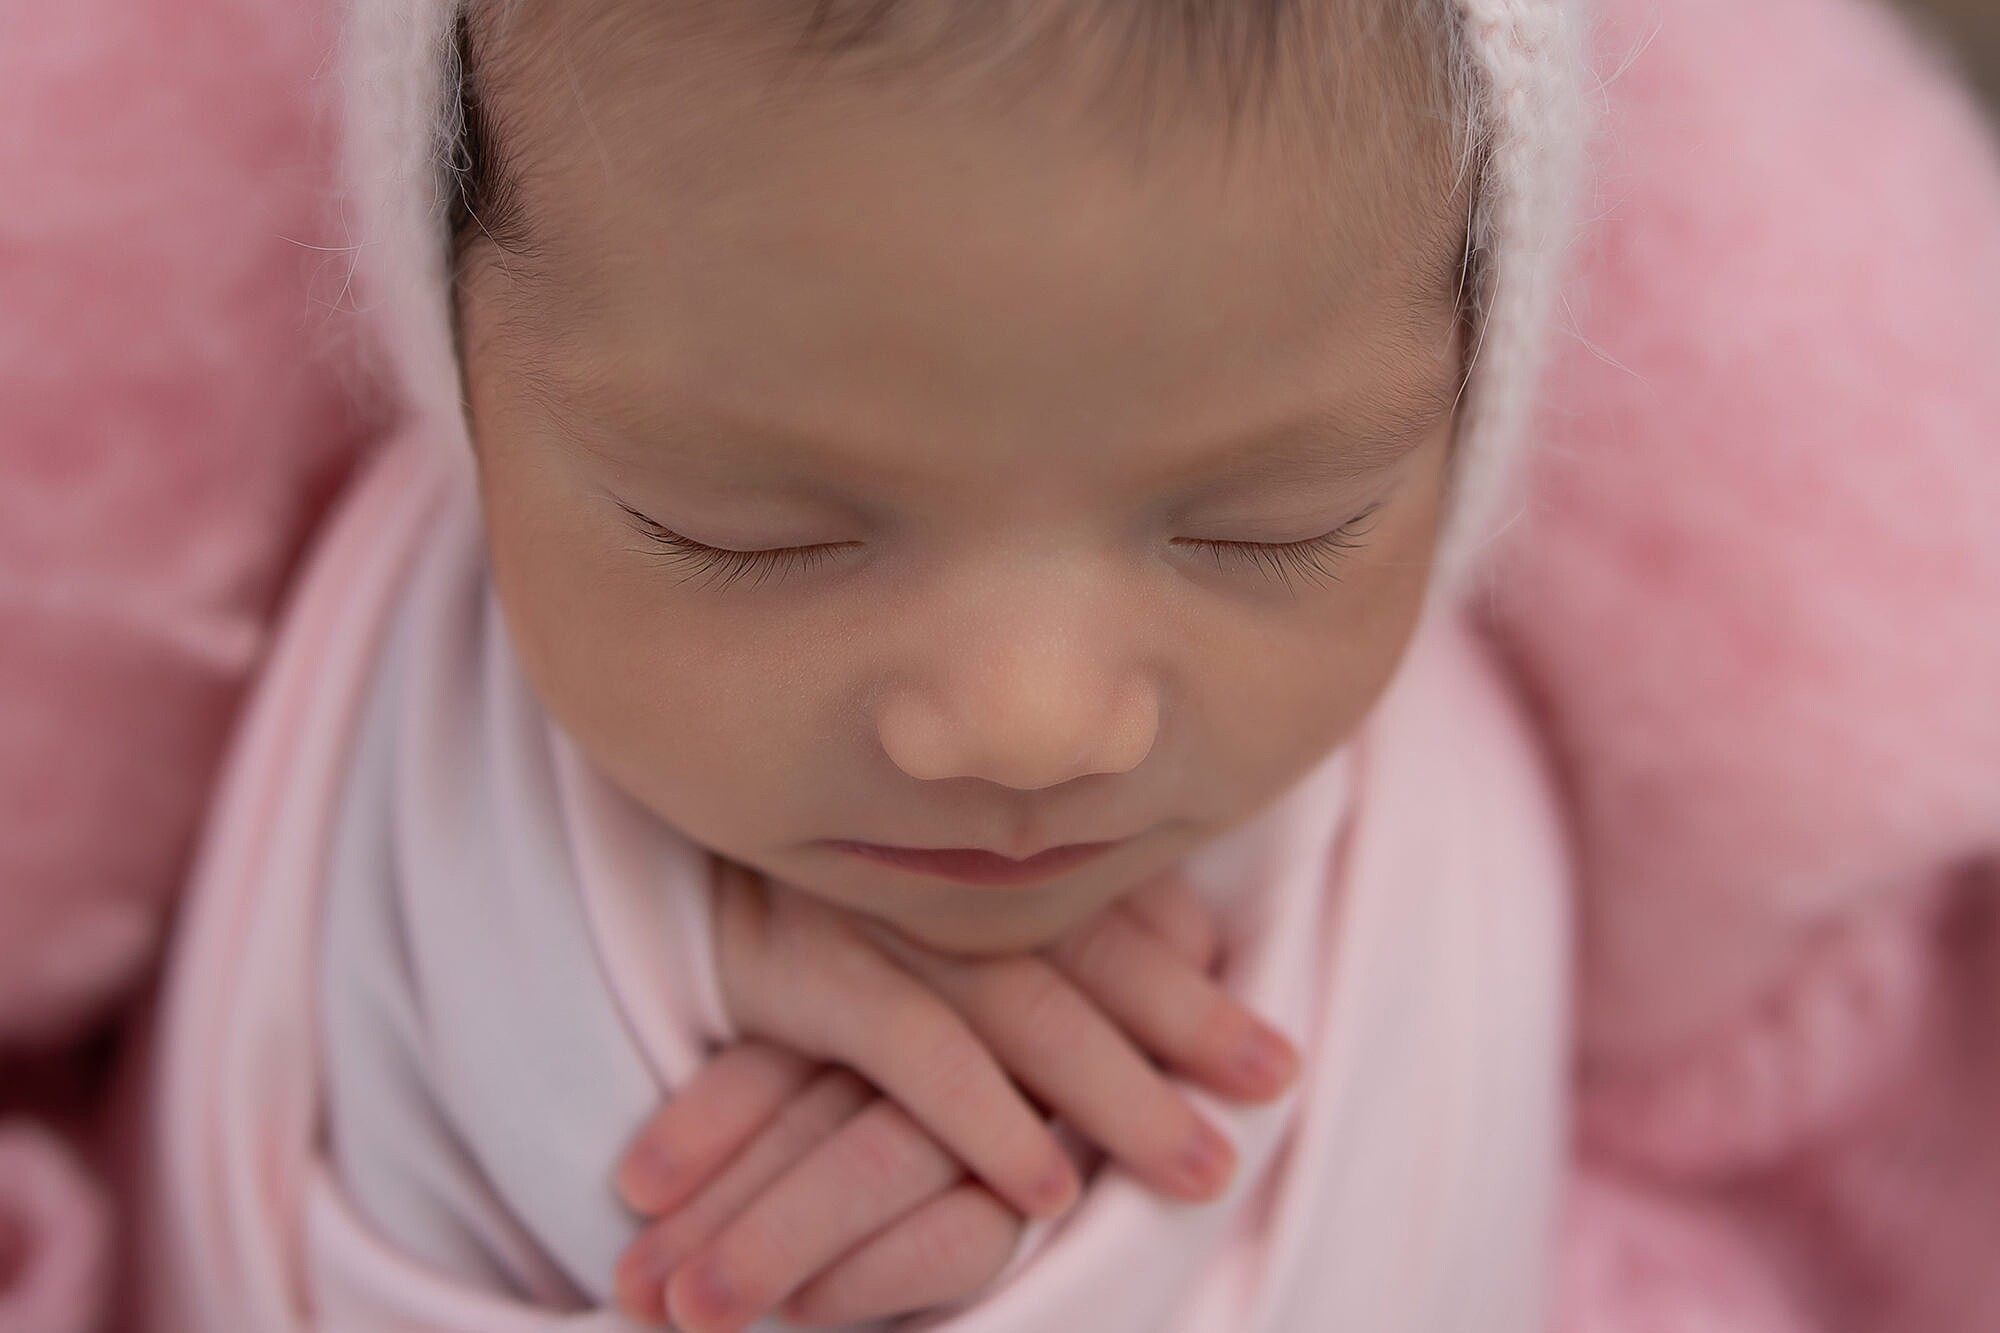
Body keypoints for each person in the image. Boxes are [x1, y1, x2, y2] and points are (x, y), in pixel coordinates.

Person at [134, 1, 1585, 1329]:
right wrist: (595, 972)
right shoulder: (394, 753)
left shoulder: (1451, 852)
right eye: (748, 533)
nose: (1025, 724)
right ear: (464, 385)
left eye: (1272, 526)